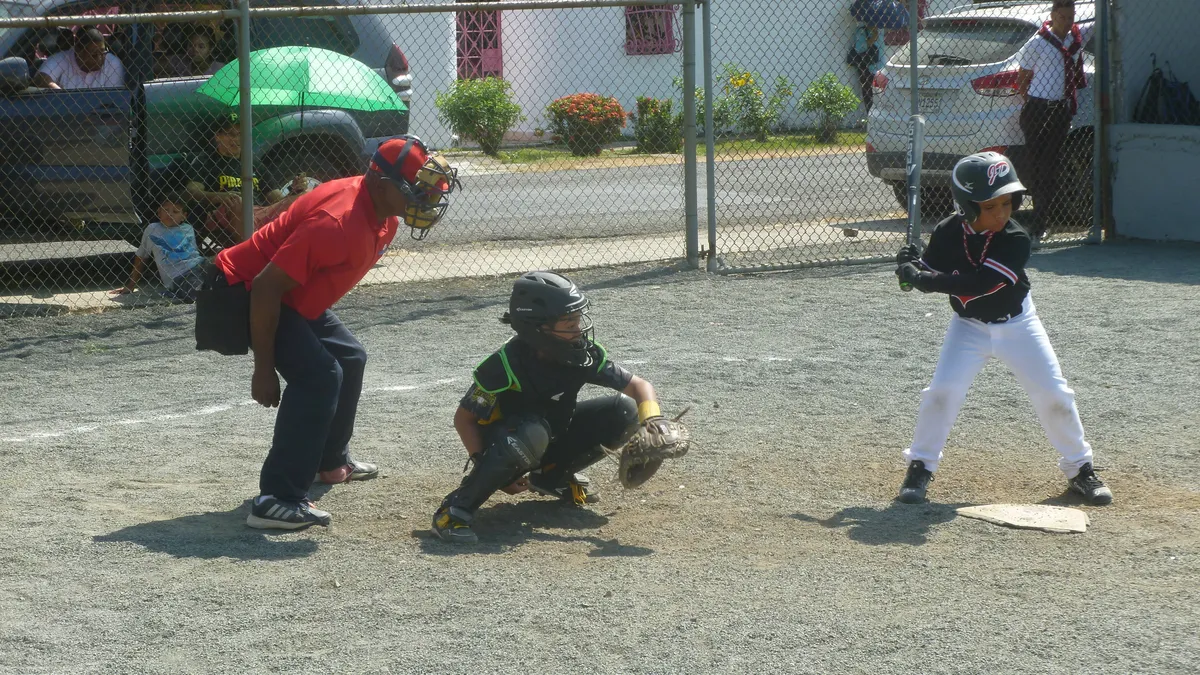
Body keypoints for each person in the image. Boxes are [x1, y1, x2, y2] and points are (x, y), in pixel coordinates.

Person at [210, 135, 460, 530]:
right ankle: (276, 499)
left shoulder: (383, 215)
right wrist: (264, 368)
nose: (425, 201)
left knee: (350, 358)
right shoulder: (338, 221)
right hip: (243, 291)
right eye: (417, 190)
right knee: (320, 377)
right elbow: (265, 286)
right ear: (382, 184)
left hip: (285, 296)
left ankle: (329, 462)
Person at [893, 152, 1112, 506]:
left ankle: (1080, 469)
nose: (1001, 213)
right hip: (968, 327)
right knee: (941, 393)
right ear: (966, 207)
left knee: (1054, 395)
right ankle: (920, 466)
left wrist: (923, 279)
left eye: (1007, 203)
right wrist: (909, 267)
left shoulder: (1015, 238)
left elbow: (979, 284)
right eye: (990, 206)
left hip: (1018, 324)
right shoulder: (948, 231)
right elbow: (926, 272)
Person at [430, 271, 678, 544]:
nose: (578, 329)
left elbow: (639, 386)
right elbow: (464, 419)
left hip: (548, 434)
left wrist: (654, 420)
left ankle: (551, 476)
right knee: (533, 431)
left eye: (578, 319)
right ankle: (454, 511)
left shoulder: (581, 354)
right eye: (569, 323)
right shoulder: (506, 364)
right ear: (538, 328)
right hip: (507, 443)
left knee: (624, 411)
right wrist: (486, 468)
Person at [1015, 0, 1094, 238]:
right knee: (1036, 164)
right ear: (1052, 16)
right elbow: (1022, 79)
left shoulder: (1074, 40)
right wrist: (1033, 102)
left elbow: (1100, 20)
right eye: (1062, 18)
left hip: (1060, 110)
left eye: (1071, 18)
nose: (1067, 23)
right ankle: (1037, 220)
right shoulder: (1037, 43)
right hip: (1038, 109)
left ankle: (1043, 219)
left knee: (1051, 165)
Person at [183, 112, 308, 248]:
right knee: (238, 201)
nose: (236, 139)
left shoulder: (253, 163)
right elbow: (192, 191)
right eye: (230, 134)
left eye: (240, 134)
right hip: (225, 213)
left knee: (304, 196)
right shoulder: (206, 160)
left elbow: (276, 198)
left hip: (259, 213)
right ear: (218, 136)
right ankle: (250, 250)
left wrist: (294, 191)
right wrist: (220, 196)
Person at [109, 190, 206, 302]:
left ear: (184, 216)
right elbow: (141, 257)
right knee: (198, 290)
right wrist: (131, 284)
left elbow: (194, 255)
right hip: (180, 275)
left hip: (199, 265)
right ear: (159, 212)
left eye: (175, 211)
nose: (170, 214)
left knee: (217, 268)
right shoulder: (153, 229)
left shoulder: (188, 228)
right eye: (166, 210)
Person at [34, 27, 125, 90]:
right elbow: (41, 78)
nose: (100, 57)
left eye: (103, 52)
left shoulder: (113, 63)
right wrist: (62, 96)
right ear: (78, 52)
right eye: (94, 54)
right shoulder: (62, 58)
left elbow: (113, 100)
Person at [847, 23, 885, 120]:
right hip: (867, 68)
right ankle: (870, 117)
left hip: (880, 67)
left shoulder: (880, 30)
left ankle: (880, 118)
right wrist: (873, 38)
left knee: (882, 94)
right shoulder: (862, 31)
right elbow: (860, 49)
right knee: (869, 94)